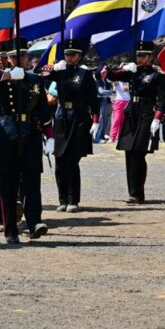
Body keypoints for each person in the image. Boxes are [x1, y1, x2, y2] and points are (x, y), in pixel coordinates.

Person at [0, 38, 51, 244]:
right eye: (15, 56)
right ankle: (11, 229)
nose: (20, 59)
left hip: (30, 133)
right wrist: (4, 76)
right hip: (6, 133)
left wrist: (49, 135)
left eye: (23, 56)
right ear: (7, 59)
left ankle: (35, 222)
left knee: (32, 180)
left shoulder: (34, 79)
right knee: (7, 182)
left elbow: (43, 108)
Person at [105, 41, 165, 204]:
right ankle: (132, 191)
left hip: (146, 114)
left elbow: (162, 99)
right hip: (131, 112)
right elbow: (110, 75)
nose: (140, 58)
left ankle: (138, 193)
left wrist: (157, 117)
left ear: (151, 57)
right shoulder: (132, 72)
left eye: (143, 55)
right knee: (129, 153)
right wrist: (123, 69)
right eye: (138, 55)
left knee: (139, 154)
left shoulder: (157, 76)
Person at [45, 37, 98, 212]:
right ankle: (62, 199)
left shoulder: (85, 73)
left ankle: (73, 199)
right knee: (59, 159)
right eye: (67, 54)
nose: (69, 57)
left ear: (79, 56)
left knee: (73, 160)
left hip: (79, 117)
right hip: (62, 117)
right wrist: (52, 68)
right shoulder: (59, 71)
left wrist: (96, 120)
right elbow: (40, 74)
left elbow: (93, 99)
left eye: (73, 54)